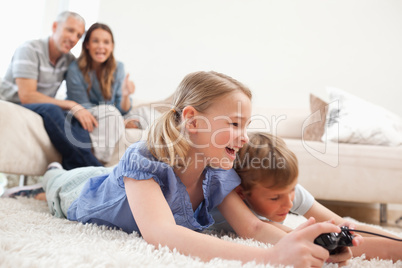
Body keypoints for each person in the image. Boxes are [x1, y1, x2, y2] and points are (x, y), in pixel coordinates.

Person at [40, 71, 361, 267]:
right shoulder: (145, 160)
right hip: (81, 192)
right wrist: (271, 259)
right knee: (59, 178)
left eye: (246, 125)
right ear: (192, 121)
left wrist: (308, 242)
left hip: (114, 180)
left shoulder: (221, 169)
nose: (244, 136)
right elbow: (163, 234)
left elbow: (254, 228)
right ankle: (52, 171)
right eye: (235, 124)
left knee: (101, 172)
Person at [211, 132, 402, 262]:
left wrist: (396, 240)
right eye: (275, 198)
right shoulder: (230, 197)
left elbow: (342, 223)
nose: (289, 202)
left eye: (292, 189)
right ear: (242, 193)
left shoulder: (283, 188)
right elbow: (285, 236)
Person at [0, 11, 103, 170]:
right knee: (55, 109)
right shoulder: (29, 49)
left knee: (75, 118)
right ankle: (94, 168)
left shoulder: (68, 60)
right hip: (14, 103)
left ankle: (71, 173)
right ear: (55, 27)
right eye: (70, 30)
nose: (73, 39)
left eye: (78, 35)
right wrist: (70, 104)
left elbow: (87, 83)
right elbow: (26, 96)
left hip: (41, 106)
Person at [65, 22, 136, 163]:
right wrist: (121, 121)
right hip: (84, 113)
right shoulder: (75, 69)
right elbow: (82, 106)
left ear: (112, 46)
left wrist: (126, 95)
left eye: (106, 42)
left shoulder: (118, 68)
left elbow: (122, 108)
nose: (101, 46)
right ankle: (98, 162)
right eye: (95, 41)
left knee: (146, 115)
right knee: (111, 114)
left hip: (112, 114)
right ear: (87, 45)